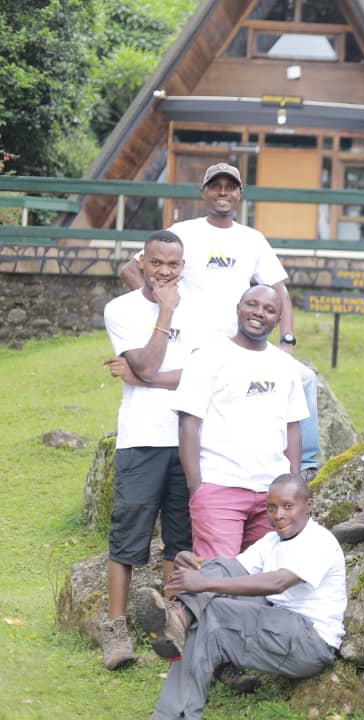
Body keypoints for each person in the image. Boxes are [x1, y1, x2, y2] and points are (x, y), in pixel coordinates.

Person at [120, 162, 321, 473]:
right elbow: (132, 269)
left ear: (240, 194)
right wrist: (162, 305)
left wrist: (287, 341)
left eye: (230, 186)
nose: (223, 192)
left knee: (303, 378)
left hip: (242, 340)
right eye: (216, 185)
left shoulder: (251, 238)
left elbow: (279, 290)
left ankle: (305, 467)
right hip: (191, 338)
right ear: (204, 192)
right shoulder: (183, 231)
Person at [134, 473, 345, 720]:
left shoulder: (319, 540)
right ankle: (180, 616)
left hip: (310, 642)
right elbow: (230, 571)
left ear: (308, 505)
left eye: (288, 506)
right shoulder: (271, 540)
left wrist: (204, 582)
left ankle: (171, 713)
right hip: (278, 627)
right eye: (271, 508)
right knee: (219, 572)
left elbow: (278, 582)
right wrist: (193, 567)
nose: (278, 515)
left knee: (211, 615)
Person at [99, 230, 198, 670]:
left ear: (182, 266)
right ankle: (115, 630)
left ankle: (172, 626)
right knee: (128, 536)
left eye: (172, 265)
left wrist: (140, 375)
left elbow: (195, 376)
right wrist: (165, 312)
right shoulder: (119, 309)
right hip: (140, 438)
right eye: (156, 263)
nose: (164, 272)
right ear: (141, 261)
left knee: (180, 540)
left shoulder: (200, 309)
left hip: (187, 438)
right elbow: (150, 361)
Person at [171, 284, 308, 559]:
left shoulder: (286, 365)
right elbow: (189, 424)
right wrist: (196, 488)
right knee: (217, 576)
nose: (259, 313)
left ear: (278, 319)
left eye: (270, 310)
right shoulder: (207, 356)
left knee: (260, 580)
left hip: (272, 494)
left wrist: (291, 484)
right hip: (220, 486)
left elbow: (292, 428)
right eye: (252, 304)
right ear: (238, 308)